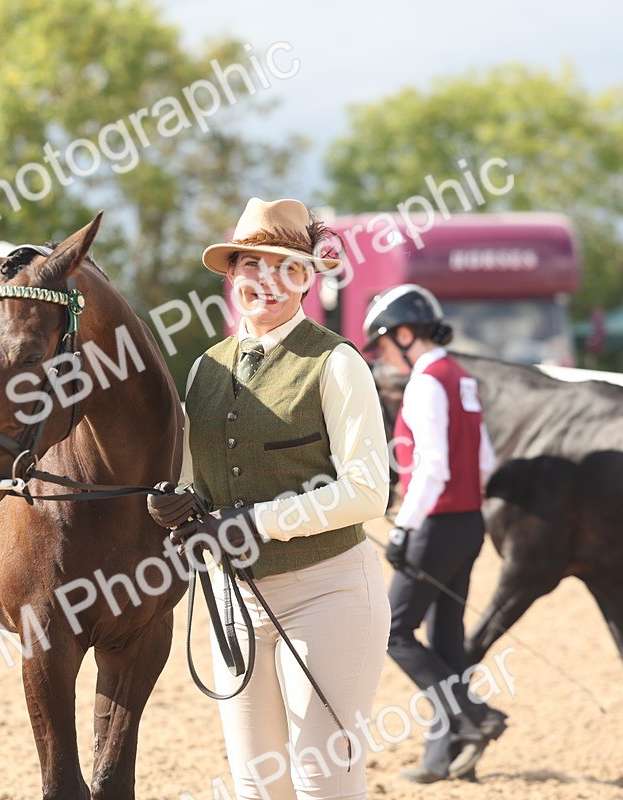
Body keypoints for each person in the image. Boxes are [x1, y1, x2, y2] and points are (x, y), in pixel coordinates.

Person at [147, 197, 391, 800]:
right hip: (235, 596)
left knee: (323, 779)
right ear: (232, 276)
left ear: (308, 278)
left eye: (287, 267)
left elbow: (368, 491)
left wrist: (256, 521)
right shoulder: (205, 367)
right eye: (252, 265)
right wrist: (175, 503)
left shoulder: (337, 363)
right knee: (256, 784)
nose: (268, 281)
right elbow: (200, 477)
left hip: (329, 590)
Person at [362, 283, 507, 784]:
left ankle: (477, 715)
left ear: (405, 334)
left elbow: (433, 468)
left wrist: (405, 526)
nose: (383, 355)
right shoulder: (461, 377)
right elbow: (484, 461)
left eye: (382, 343)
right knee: (446, 639)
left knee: (394, 631)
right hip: (469, 522)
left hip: (436, 523)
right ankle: (445, 760)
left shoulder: (426, 381)